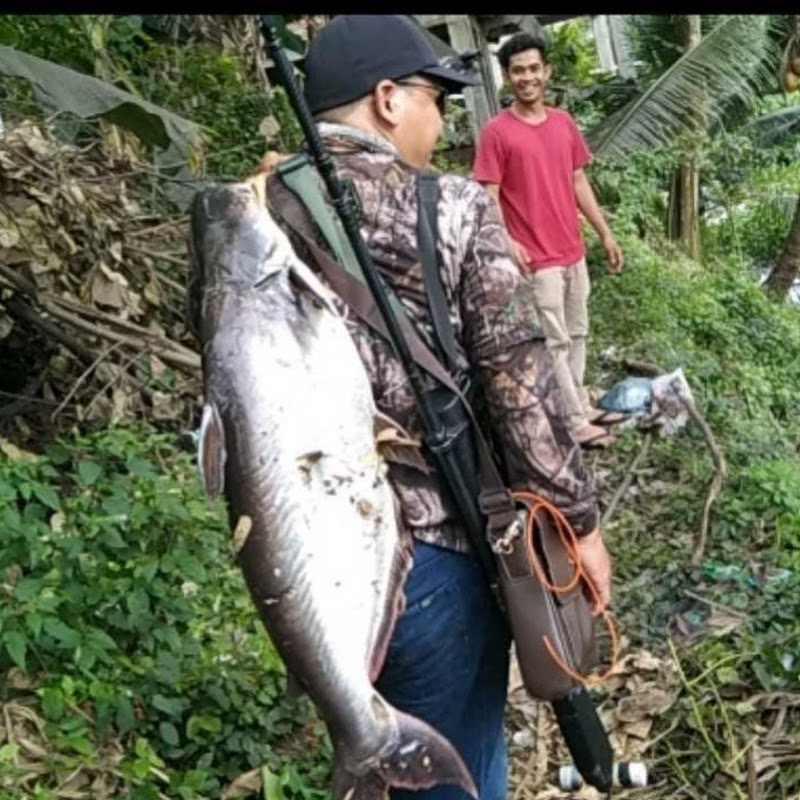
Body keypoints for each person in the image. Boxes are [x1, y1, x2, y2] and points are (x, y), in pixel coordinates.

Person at [262, 15, 612, 800]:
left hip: (313, 572)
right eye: (435, 100)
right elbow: (519, 384)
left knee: (385, 756)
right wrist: (579, 526)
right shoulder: (451, 206)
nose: (444, 122)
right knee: (458, 766)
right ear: (388, 99)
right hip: (434, 553)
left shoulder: (254, 215)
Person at [473, 32, 626, 449]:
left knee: (578, 331)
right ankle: (572, 421)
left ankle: (579, 402)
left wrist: (605, 232)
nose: (527, 77)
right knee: (554, 340)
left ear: (547, 72)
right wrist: (507, 241)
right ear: (507, 77)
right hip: (537, 259)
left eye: (533, 69)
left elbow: (578, 180)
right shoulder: (496, 133)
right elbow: (488, 194)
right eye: (518, 71)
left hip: (572, 249)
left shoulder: (563, 123)